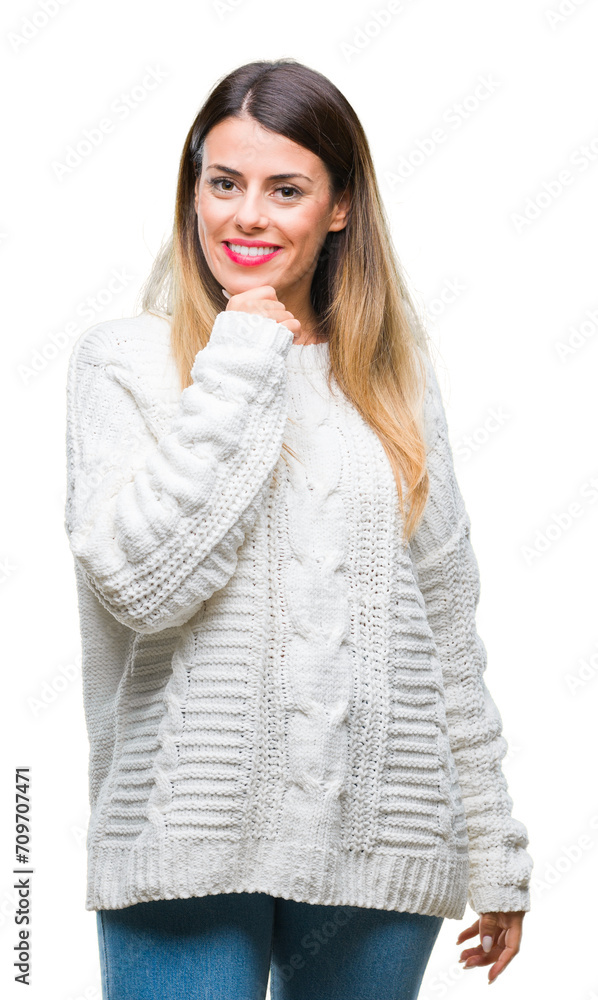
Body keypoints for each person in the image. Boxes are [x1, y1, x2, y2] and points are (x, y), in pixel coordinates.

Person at [64, 58, 533, 1000]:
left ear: (339, 208)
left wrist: (495, 849)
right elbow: (142, 585)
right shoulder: (126, 363)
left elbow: (446, 630)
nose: (248, 216)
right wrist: (243, 349)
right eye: (224, 183)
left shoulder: (394, 381)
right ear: (191, 192)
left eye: (286, 190)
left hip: (383, 835)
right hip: (185, 833)